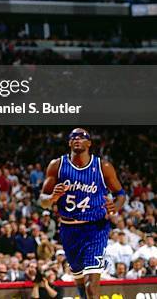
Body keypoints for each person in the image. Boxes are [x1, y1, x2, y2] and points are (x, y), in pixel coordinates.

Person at [40, 128, 125, 299]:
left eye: (82, 137)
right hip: (69, 229)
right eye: (74, 137)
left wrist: (115, 206)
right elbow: (42, 200)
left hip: (95, 229)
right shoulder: (57, 165)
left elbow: (120, 194)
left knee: (91, 287)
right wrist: (52, 197)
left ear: (89, 143)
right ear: (69, 143)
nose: (77, 139)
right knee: (79, 282)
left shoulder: (103, 167)